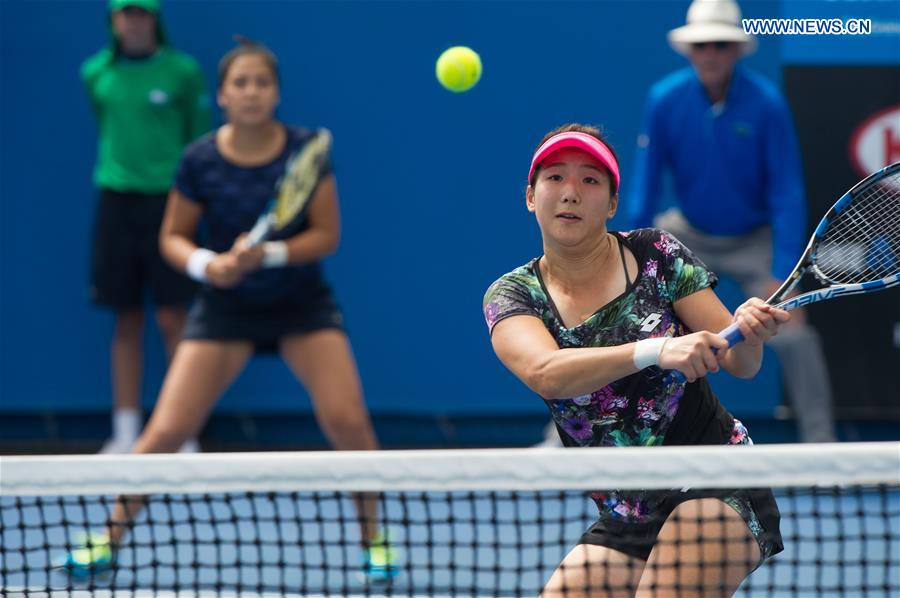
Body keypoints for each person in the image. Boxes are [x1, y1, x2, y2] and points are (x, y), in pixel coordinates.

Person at [59, 39, 397, 582]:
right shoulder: (199, 159)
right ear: (221, 94)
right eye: (240, 83)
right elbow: (173, 237)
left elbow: (326, 236)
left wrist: (271, 253)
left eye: (261, 82)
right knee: (165, 431)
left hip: (300, 305)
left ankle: (375, 540)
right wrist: (206, 265)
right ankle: (107, 537)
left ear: (276, 92)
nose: (251, 92)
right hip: (225, 308)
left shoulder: (306, 148)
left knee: (348, 421)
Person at [483, 124, 786, 596]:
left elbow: (741, 365)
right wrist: (656, 350)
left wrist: (749, 335)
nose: (570, 193)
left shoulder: (655, 255)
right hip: (629, 513)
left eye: (590, 181)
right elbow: (546, 373)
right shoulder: (513, 295)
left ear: (610, 204)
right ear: (530, 195)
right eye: (555, 178)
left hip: (714, 478)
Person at [627, 0, 837, 443]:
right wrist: (630, 256)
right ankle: (570, 436)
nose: (710, 54)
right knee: (623, 320)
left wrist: (782, 271)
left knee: (795, 337)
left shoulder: (767, 104)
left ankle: (824, 452)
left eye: (721, 45)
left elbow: (786, 191)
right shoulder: (664, 99)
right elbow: (645, 184)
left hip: (753, 240)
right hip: (686, 233)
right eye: (702, 45)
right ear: (689, 50)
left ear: (737, 50)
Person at [81, 0, 210, 453]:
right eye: (125, 13)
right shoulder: (95, 73)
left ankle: (183, 431)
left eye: (142, 13)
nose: (134, 21)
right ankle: (125, 432)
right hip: (116, 204)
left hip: (170, 204)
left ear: (155, 20)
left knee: (175, 318)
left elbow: (198, 139)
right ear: (114, 21)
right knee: (126, 319)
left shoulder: (183, 72)